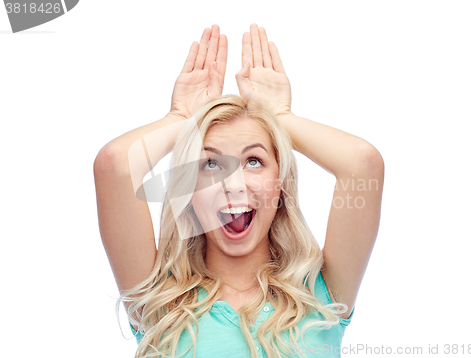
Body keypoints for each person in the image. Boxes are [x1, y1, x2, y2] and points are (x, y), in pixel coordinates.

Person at [94, 24, 384, 358]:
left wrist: (279, 117)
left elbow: (363, 163)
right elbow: (115, 166)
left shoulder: (322, 293)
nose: (234, 184)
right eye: (211, 165)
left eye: (254, 161)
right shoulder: (160, 300)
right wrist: (182, 118)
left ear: (281, 183)